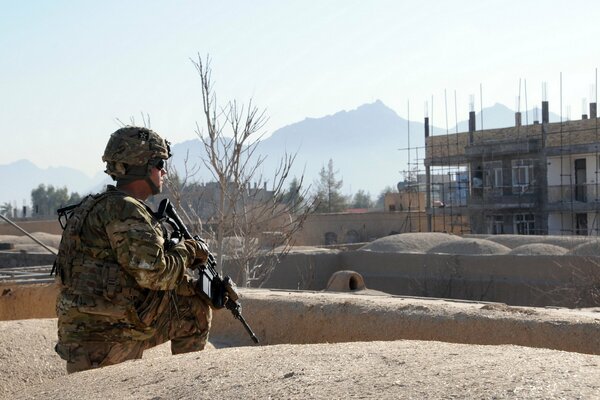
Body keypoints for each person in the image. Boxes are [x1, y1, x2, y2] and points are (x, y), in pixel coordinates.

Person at [53, 126, 212, 373]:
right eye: (160, 164)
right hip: (108, 339)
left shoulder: (94, 206)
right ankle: (186, 387)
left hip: (84, 335)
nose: (164, 172)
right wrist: (190, 250)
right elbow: (156, 275)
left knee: (185, 297)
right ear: (143, 166)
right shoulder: (125, 210)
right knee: (195, 310)